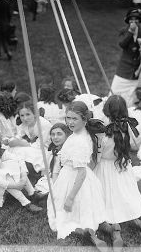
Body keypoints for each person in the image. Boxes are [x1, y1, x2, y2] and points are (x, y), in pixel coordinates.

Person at [93, 95, 141, 249]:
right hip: (123, 165)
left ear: (106, 111)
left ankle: (115, 227)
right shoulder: (128, 127)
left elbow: (99, 156)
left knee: (108, 196)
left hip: (106, 167)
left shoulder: (102, 132)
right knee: (127, 193)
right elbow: (134, 145)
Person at [47, 101, 107, 248]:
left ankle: (87, 233)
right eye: (68, 118)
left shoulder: (79, 140)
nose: (70, 122)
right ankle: (103, 229)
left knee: (66, 216)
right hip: (75, 176)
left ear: (84, 120)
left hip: (75, 180)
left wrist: (70, 198)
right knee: (82, 212)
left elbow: (81, 173)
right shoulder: (79, 134)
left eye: (75, 119)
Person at [110, 8, 141, 107]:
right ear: (128, 20)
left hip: (136, 71)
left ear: (139, 21)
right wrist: (130, 32)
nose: (133, 21)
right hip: (123, 70)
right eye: (131, 19)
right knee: (115, 92)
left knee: (131, 98)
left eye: (136, 19)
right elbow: (122, 44)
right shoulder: (123, 31)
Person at [34, 123, 71, 195]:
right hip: (53, 177)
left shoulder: (68, 151)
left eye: (59, 134)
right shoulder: (53, 150)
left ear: (66, 135)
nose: (55, 137)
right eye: (53, 134)